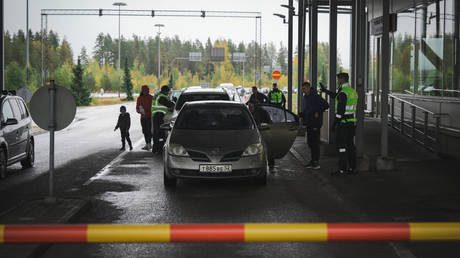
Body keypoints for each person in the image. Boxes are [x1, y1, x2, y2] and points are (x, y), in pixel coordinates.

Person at [320, 72, 358, 175]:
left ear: (342, 79)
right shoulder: (352, 91)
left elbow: (340, 111)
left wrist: (334, 124)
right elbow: (336, 96)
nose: (337, 81)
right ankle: (353, 168)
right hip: (351, 122)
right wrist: (326, 91)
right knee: (350, 145)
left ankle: (342, 169)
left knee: (341, 147)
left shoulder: (343, 92)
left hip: (343, 124)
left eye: (338, 79)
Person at [300, 81, 329, 170]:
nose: (303, 90)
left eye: (304, 89)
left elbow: (326, 105)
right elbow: (307, 110)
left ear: (308, 88)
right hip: (309, 123)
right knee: (311, 143)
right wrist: (302, 114)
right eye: (302, 89)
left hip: (315, 123)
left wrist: (317, 111)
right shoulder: (306, 97)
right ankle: (313, 161)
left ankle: (316, 162)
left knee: (315, 143)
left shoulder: (315, 96)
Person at [151, 85, 175, 154]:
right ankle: (158, 149)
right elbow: (169, 104)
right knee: (160, 132)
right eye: (168, 91)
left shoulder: (158, 95)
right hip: (158, 116)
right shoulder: (161, 97)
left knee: (157, 133)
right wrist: (173, 103)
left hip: (157, 115)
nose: (168, 93)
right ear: (165, 91)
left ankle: (156, 148)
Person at [136, 85, 153, 150]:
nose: (146, 91)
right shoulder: (139, 98)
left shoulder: (151, 98)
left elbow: (153, 107)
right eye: (145, 90)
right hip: (143, 118)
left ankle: (149, 144)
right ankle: (148, 144)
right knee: (145, 131)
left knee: (149, 131)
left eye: (147, 90)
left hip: (150, 117)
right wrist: (140, 111)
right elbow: (137, 108)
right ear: (142, 91)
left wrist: (147, 111)